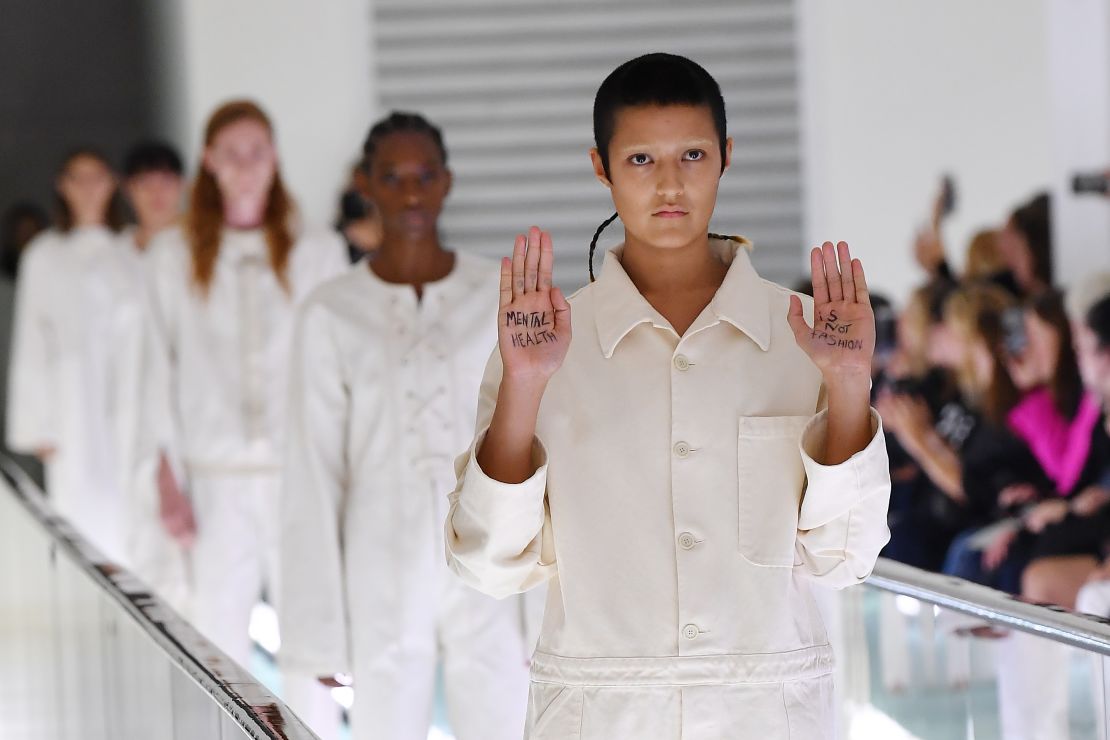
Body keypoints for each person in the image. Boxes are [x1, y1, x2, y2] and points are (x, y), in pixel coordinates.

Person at [444, 53, 891, 738]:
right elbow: (484, 561)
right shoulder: (543, 347)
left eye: (692, 154)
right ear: (601, 167)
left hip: (765, 713)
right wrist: (527, 386)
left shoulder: (803, 336)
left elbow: (844, 557)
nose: (671, 184)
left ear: (726, 157)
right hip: (603, 715)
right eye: (642, 161)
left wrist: (848, 383)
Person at [280, 111, 530, 740]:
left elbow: (538, 444)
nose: (411, 192)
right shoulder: (331, 313)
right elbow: (312, 473)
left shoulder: (497, 295)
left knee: (504, 718)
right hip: (377, 560)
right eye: (392, 176)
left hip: (490, 553)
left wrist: (549, 612)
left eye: (424, 175)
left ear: (447, 182)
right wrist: (318, 633)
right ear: (366, 183)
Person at [139, 100, 348, 735]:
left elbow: (335, 369)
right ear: (209, 161)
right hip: (214, 474)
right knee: (216, 634)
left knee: (308, 634)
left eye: (256, 150)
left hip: (297, 476)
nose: (245, 165)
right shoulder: (172, 255)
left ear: (274, 157)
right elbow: (157, 366)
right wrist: (166, 479)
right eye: (230, 152)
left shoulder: (316, 251)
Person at [7, 148, 139, 564]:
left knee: (133, 508)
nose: (87, 189)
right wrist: (36, 425)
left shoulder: (132, 249)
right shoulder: (44, 254)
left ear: (112, 183)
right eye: (76, 179)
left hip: (129, 392)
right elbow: (32, 341)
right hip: (70, 407)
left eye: (95, 177)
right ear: (62, 186)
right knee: (81, 515)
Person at [121, 140, 185, 252]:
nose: (156, 192)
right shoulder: (113, 250)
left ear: (183, 185)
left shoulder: (204, 246)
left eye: (166, 182)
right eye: (145, 182)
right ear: (128, 189)